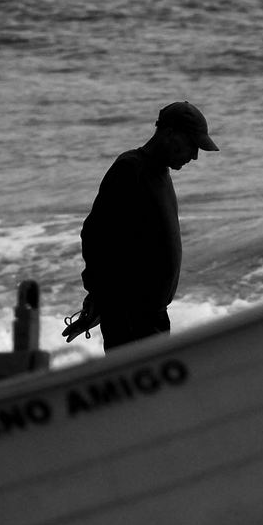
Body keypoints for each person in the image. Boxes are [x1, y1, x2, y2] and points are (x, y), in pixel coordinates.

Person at [62, 101, 219, 351]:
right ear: (170, 134)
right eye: (191, 145)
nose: (194, 155)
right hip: (130, 317)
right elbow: (95, 235)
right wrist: (99, 296)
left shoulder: (160, 173)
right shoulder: (131, 169)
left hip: (150, 317)